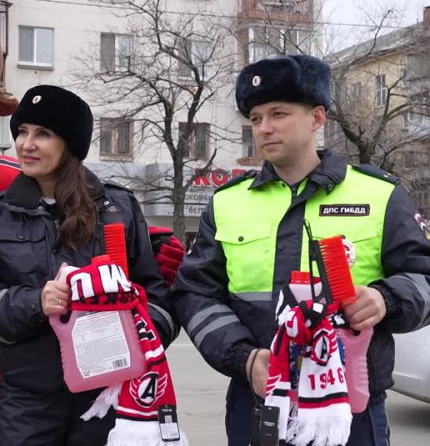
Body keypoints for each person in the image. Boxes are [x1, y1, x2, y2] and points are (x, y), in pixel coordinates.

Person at [171, 54, 430, 446]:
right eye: (255, 118)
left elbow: (424, 278)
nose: (264, 128)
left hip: (350, 408)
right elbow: (194, 294)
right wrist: (245, 357)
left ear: (317, 118)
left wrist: (385, 299)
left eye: (278, 114)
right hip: (257, 401)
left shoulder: (380, 194)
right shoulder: (226, 203)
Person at [0, 85, 180, 446]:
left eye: (42, 133)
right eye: (22, 132)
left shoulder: (118, 209)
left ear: (70, 143)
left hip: (111, 398)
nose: (27, 144)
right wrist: (34, 303)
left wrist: (135, 334)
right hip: (27, 404)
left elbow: (156, 298)